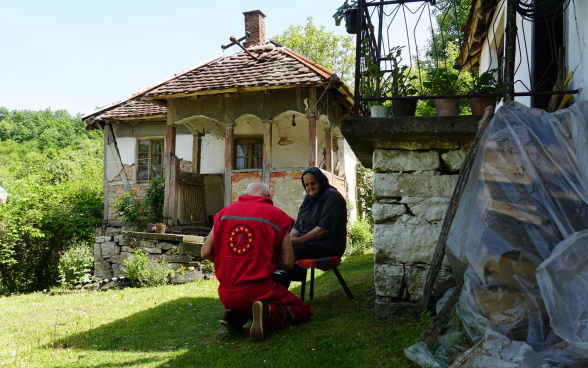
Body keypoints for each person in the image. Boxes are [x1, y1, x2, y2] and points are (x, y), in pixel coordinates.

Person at [201, 182, 313, 342]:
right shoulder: (277, 216)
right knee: (303, 310)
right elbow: (288, 263)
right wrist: (267, 263)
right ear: (269, 198)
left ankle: (233, 316)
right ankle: (268, 312)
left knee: (243, 300)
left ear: (245, 194)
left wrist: (225, 264)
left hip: (226, 292)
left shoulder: (223, 214)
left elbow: (205, 252)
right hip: (258, 290)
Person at [278, 167, 348, 287]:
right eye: (307, 185)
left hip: (328, 245)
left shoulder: (332, 196)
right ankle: (276, 292)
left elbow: (323, 230)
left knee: (291, 254)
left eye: (313, 183)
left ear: (320, 181)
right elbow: (298, 226)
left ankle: (280, 295)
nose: (310, 187)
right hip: (310, 244)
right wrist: (287, 242)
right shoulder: (309, 199)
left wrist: (298, 241)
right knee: (283, 251)